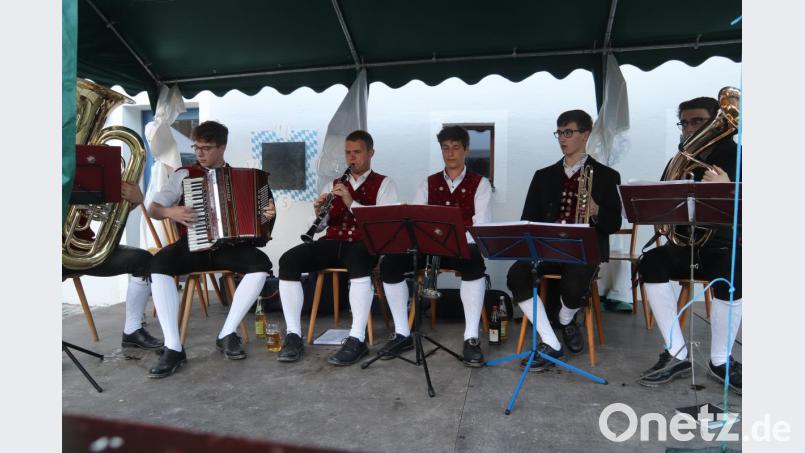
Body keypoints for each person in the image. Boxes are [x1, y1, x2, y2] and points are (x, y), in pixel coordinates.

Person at [146, 120, 276, 378]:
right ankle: (173, 346)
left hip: (229, 247)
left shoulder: (249, 179)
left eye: (206, 148)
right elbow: (154, 209)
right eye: (196, 147)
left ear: (222, 148)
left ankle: (227, 332)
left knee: (261, 265)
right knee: (158, 265)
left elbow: (265, 219)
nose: (199, 153)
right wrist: (171, 211)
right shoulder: (183, 174)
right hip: (193, 245)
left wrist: (267, 215)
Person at [637, 97, 742, 394]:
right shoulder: (679, 159)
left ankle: (721, 361)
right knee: (651, 261)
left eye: (697, 121)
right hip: (688, 245)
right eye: (684, 122)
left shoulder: (739, 157)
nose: (689, 128)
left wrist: (726, 189)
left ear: (717, 123)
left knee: (736, 268)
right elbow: (659, 198)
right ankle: (676, 352)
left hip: (723, 246)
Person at [506, 110, 622, 371]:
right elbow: (528, 218)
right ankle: (551, 341)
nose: (562, 138)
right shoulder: (543, 175)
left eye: (568, 132)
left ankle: (566, 318)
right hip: (546, 249)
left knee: (576, 279)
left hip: (584, 250)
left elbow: (614, 224)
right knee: (517, 274)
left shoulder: (607, 176)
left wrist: (597, 211)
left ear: (585, 134)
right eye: (559, 132)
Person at [276, 130, 398, 366]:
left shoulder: (384, 184)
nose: (351, 158)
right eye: (348, 153)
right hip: (333, 243)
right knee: (288, 260)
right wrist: (319, 213)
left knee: (359, 258)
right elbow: (322, 226)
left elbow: (383, 225)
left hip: (365, 245)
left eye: (357, 153)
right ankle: (293, 335)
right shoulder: (333, 185)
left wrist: (351, 202)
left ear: (371, 153)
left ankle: (357, 338)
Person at [379, 125, 492, 367]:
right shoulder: (427, 184)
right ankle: (402, 333)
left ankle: (471, 337)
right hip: (430, 247)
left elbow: (480, 225)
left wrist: (455, 241)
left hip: (463, 245)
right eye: (445, 148)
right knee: (390, 262)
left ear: (466, 150)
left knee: (474, 261)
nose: (450, 153)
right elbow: (417, 220)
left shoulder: (480, 184)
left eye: (455, 148)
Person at [63, 182, 162, 351]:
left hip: (84, 251)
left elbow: (108, 213)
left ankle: (133, 330)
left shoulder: (90, 171)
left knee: (143, 260)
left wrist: (133, 202)